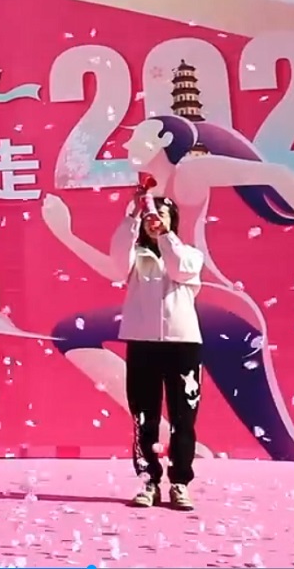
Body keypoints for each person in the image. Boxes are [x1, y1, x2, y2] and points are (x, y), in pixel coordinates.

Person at [115, 190, 203, 511]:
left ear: (172, 221)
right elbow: (116, 262)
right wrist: (133, 216)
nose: (153, 221)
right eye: (149, 217)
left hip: (183, 345)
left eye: (160, 216)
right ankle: (149, 481)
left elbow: (180, 269)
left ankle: (180, 482)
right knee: (144, 418)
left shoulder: (190, 254)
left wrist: (165, 236)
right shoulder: (135, 257)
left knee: (183, 418)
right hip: (142, 345)